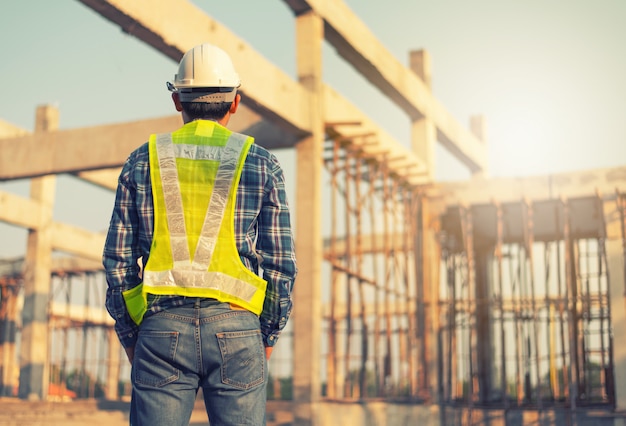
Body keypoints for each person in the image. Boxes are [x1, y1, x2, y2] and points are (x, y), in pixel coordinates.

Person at [102, 42, 297, 426]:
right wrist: (267, 336)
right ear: (235, 102)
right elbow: (281, 267)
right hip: (238, 329)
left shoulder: (143, 160)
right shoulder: (262, 163)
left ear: (178, 100)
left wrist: (132, 333)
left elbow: (118, 262)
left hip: (160, 328)